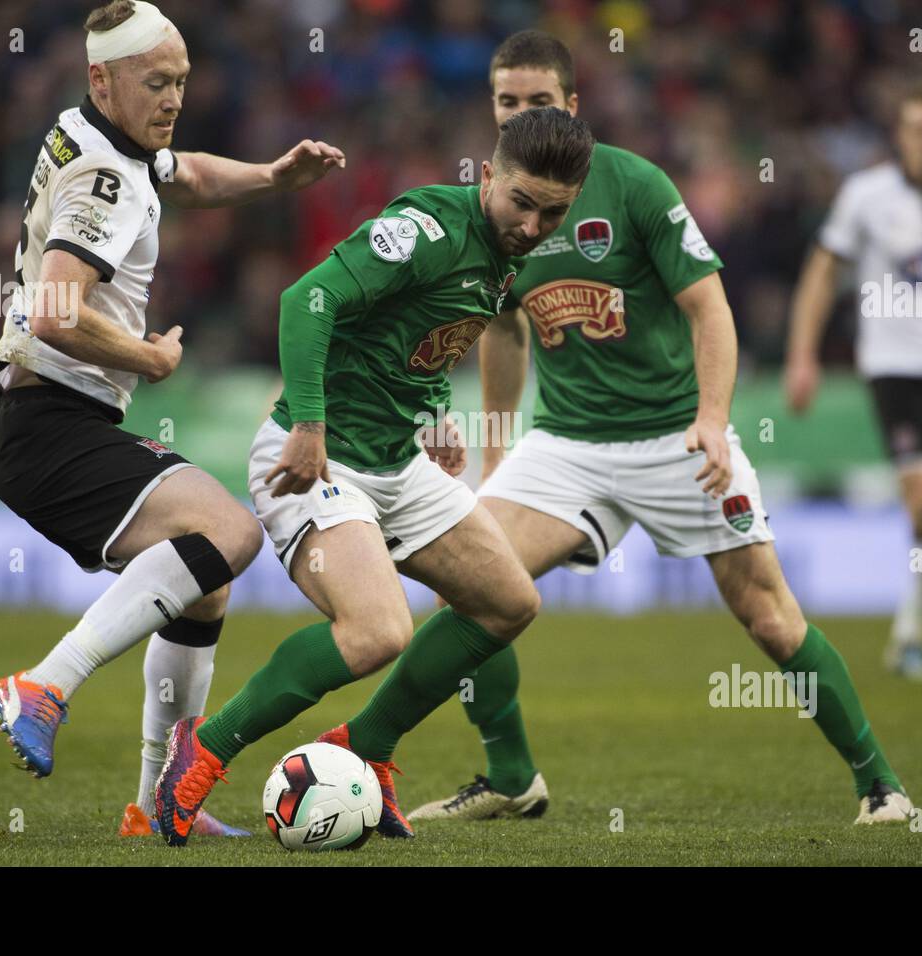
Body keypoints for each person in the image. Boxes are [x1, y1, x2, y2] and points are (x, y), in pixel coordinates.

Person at [409, 31, 910, 827]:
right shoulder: (496, 200)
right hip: (567, 444)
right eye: (507, 102)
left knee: (771, 619)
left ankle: (879, 784)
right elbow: (504, 332)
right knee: (472, 584)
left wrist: (713, 420)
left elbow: (710, 307)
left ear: (572, 106)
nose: (520, 115)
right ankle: (511, 777)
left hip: (675, 436)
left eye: (538, 102)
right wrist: (497, 452)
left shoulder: (636, 184)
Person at [153, 106, 594, 846]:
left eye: (552, 212)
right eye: (521, 202)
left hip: (397, 458)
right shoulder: (426, 227)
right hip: (314, 458)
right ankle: (204, 749)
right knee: (377, 630)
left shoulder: (511, 251)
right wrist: (310, 424)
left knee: (507, 602)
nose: (532, 224)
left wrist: (432, 410)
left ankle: (366, 746)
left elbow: (409, 336)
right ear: (487, 176)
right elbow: (309, 300)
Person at [0, 0, 344, 839]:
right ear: (102, 79)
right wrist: (147, 356)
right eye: (156, 81)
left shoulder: (104, 137)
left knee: (205, 584)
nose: (174, 95)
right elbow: (55, 310)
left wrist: (272, 177)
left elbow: (186, 175)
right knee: (232, 533)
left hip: (57, 419)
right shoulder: (102, 177)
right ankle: (46, 684)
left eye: (181, 79)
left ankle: (155, 805)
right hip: (46, 421)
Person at [785, 85, 922, 680]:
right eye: (915, 129)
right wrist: (802, 355)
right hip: (892, 367)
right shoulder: (866, 195)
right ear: (899, 136)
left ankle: (908, 632)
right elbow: (822, 271)